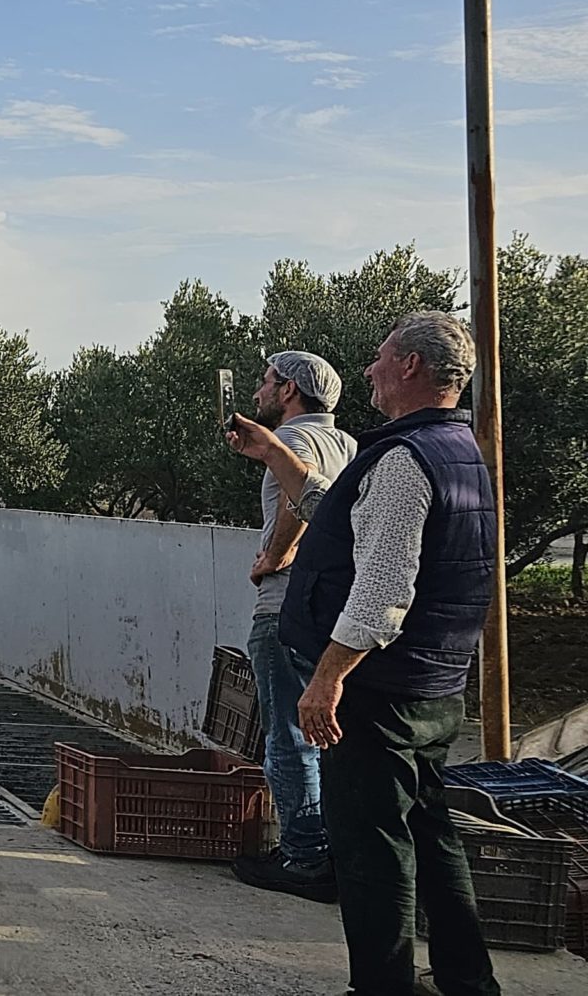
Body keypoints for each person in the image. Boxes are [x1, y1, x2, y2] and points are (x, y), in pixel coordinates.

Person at [228, 312, 500, 996]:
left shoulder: (407, 460)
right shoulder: (454, 448)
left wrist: (327, 680)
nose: (370, 371)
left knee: (371, 848)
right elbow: (338, 512)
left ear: (410, 366)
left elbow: (382, 590)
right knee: (430, 831)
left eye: (381, 358)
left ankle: (381, 985)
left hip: (379, 690)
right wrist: (274, 453)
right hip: (434, 684)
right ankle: (468, 980)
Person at [230, 351, 358, 903]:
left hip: (283, 607)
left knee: (287, 736)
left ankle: (304, 857)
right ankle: (335, 851)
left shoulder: (294, 440)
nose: (258, 391)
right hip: (332, 612)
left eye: (266, 381)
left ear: (288, 391)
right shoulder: (348, 444)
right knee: (326, 736)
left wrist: (277, 554)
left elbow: (298, 496)